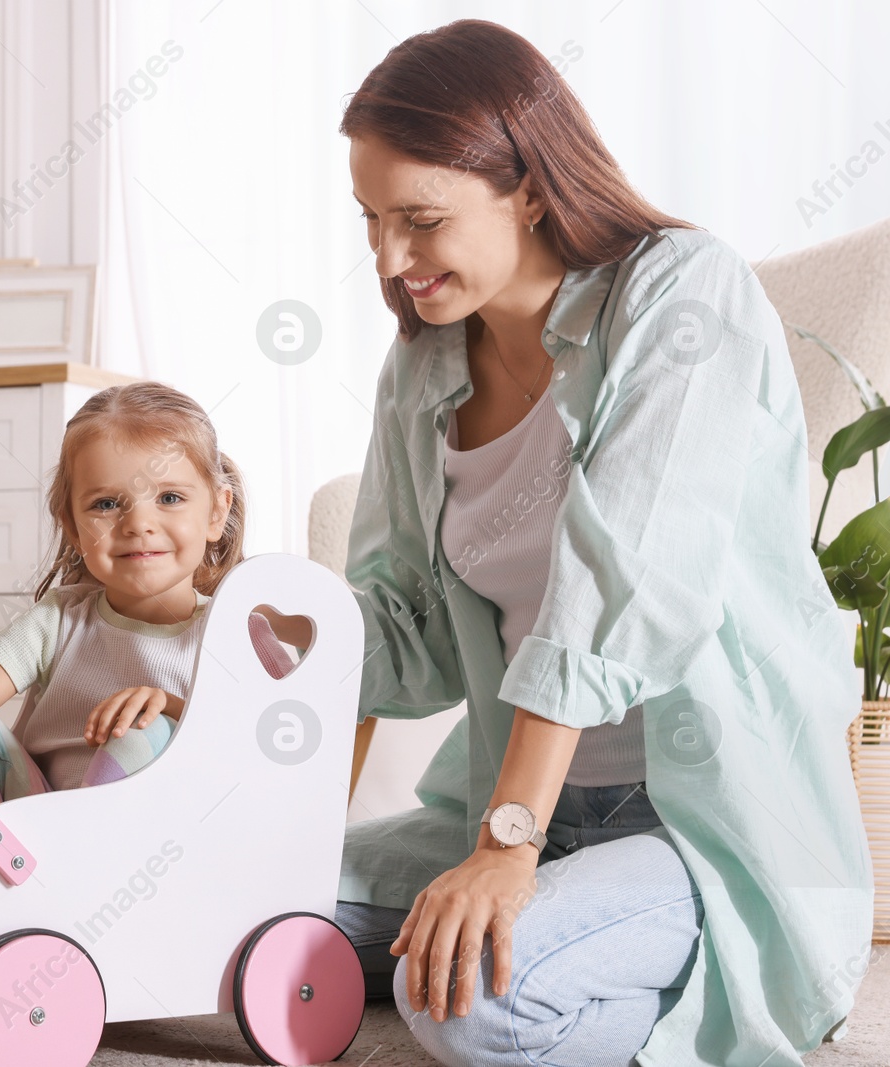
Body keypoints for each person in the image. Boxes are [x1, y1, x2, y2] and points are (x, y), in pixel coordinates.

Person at [330, 19, 872, 1067]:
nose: (390, 259)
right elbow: (402, 626)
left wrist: (507, 844)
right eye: (368, 218)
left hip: (694, 819)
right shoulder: (423, 368)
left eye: (421, 218)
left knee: (458, 1004)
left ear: (528, 187)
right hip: (508, 799)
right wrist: (242, 640)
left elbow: (625, 575)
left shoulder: (681, 289)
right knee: (250, 908)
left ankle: (736, 970)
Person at [0, 381, 292, 868]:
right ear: (73, 527)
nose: (138, 523)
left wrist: (177, 709)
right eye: (106, 504)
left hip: (164, 864)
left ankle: (42, 894)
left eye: (171, 498)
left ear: (217, 511)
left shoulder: (238, 631)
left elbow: (283, 749)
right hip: (31, 852)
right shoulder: (59, 619)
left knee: (146, 728)